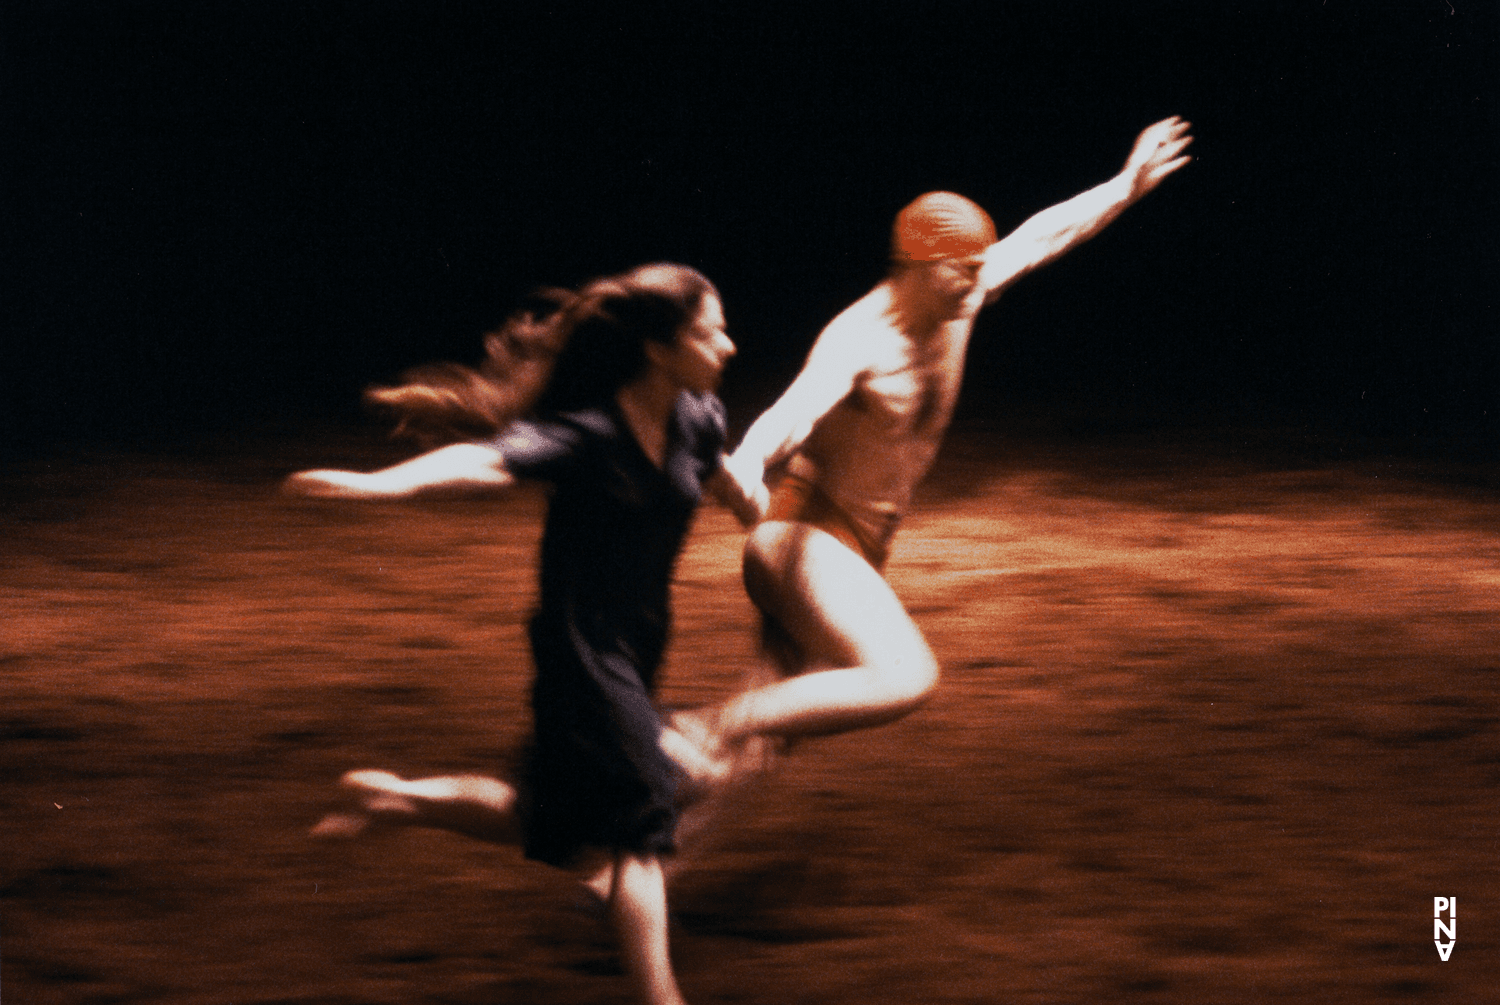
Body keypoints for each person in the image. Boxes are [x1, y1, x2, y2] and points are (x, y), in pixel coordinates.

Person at [286, 263, 760, 1005]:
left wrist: (754, 503)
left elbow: (717, 469)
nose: (728, 344)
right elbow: (483, 462)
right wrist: (380, 485)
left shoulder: (698, 416)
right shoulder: (589, 434)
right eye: (710, 331)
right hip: (580, 648)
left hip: (638, 644)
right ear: (660, 349)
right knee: (642, 819)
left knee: (551, 818)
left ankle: (395, 798)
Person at [678, 116, 1194, 754]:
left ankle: (640, 833)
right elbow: (798, 409)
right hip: (804, 538)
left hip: (851, 547)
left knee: (762, 749)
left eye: (981, 267)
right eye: (963, 270)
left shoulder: (963, 295)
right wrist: (750, 462)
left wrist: (1126, 185)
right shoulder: (861, 338)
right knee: (904, 675)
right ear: (917, 266)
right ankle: (700, 724)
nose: (978, 281)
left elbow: (1044, 234)